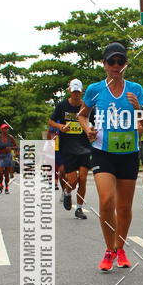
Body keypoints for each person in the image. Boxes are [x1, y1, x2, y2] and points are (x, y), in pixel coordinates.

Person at [78, 42, 143, 271]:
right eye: (112, 61)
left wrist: (139, 108)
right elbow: (82, 115)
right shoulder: (94, 89)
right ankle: (109, 249)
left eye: (120, 61)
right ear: (104, 64)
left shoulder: (136, 89)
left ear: (125, 64)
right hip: (102, 152)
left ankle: (121, 248)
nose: (116, 66)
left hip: (128, 153)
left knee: (125, 208)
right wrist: (87, 128)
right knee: (107, 201)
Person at [49, 78, 91, 219]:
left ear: (81, 92)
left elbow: (96, 121)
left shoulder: (87, 107)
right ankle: (67, 192)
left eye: (78, 92)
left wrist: (92, 130)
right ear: (69, 91)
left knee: (83, 179)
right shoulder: (62, 106)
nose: (76, 95)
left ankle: (79, 208)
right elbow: (51, 121)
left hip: (84, 147)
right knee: (72, 181)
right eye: (74, 92)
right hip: (68, 148)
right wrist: (61, 127)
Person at [0, 123, 17, 193]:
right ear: (1, 129)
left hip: (8, 156)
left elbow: (16, 146)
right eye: (4, 128)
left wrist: (10, 148)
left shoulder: (10, 137)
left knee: (6, 174)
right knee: (0, 172)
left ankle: (7, 187)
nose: (5, 130)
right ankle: (1, 184)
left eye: (7, 128)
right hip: (1, 156)